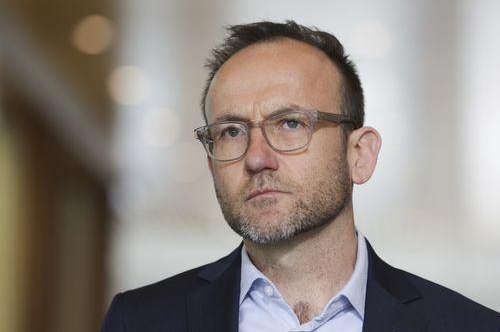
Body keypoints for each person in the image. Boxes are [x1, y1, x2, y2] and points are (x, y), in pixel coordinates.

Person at [101, 20, 500, 332]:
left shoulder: (471, 327)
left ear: (359, 154)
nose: (257, 158)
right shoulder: (140, 321)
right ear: (211, 164)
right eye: (231, 131)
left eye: (290, 123)